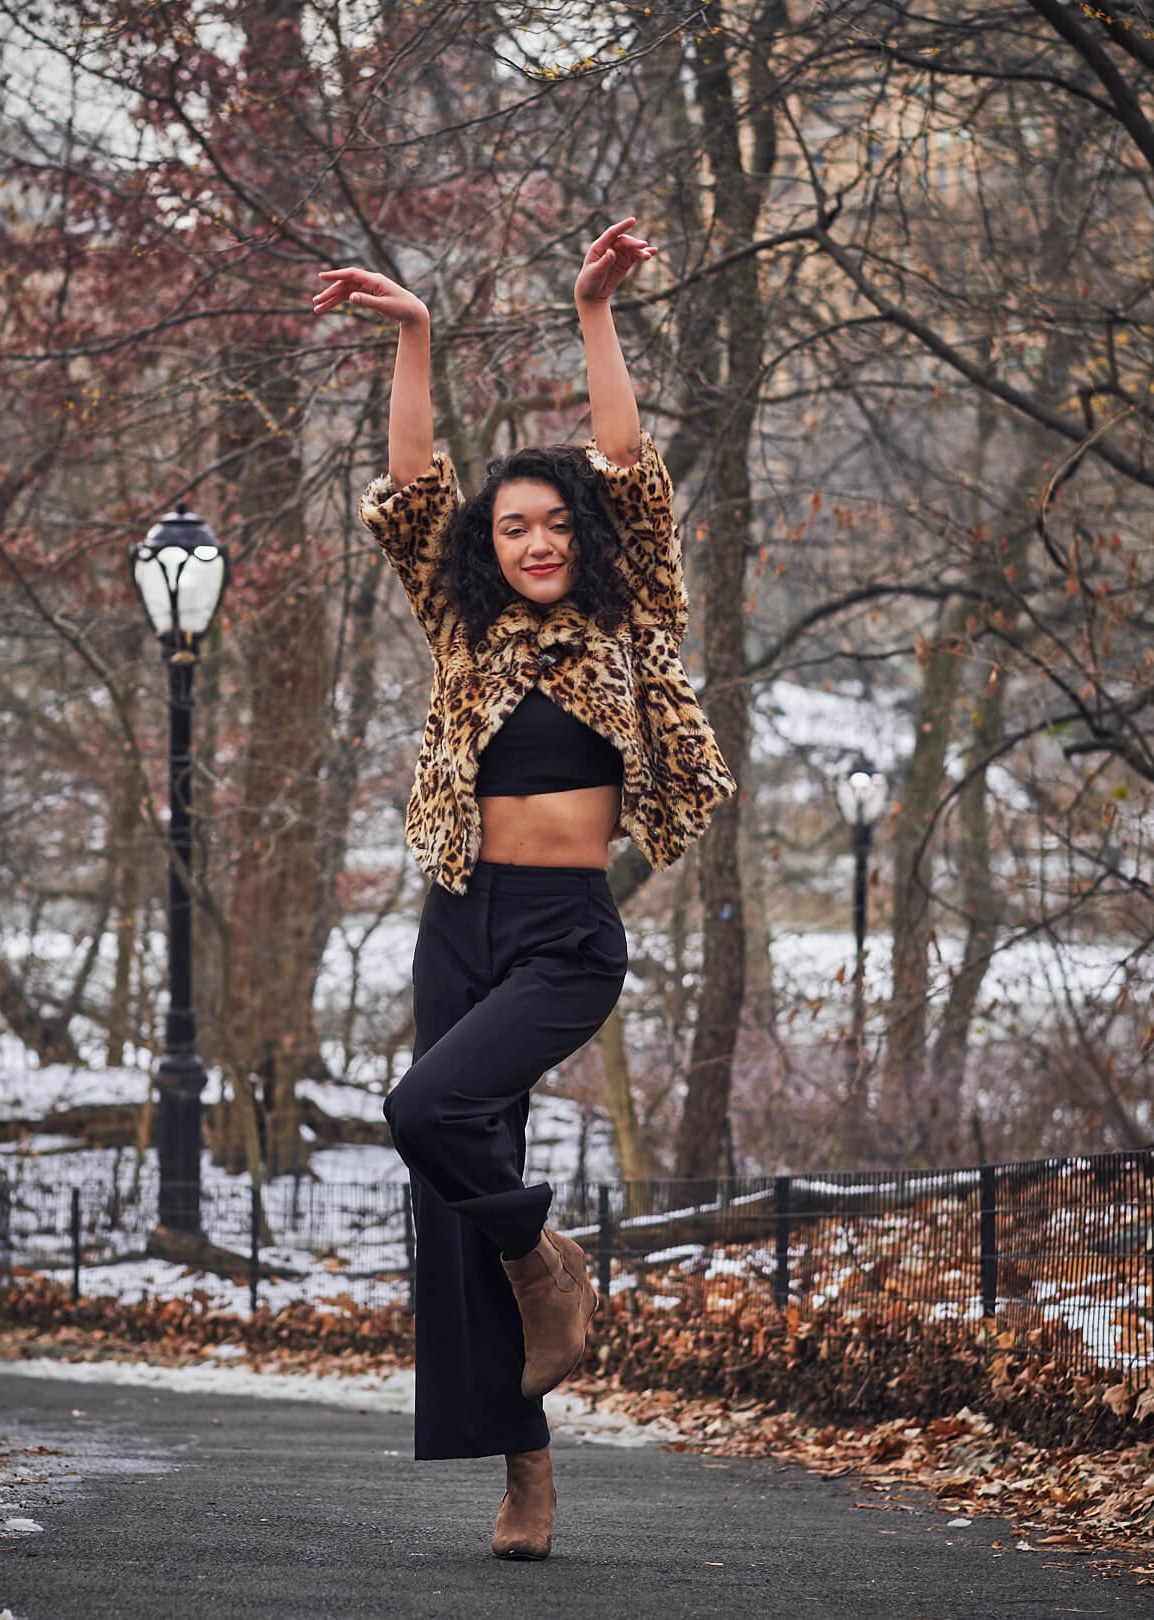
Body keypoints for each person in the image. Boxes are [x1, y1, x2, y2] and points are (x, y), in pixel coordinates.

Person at [313, 218, 734, 1561]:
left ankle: (549, 1261)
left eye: (555, 524)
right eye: (515, 529)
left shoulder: (635, 619)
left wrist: (592, 310)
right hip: (460, 919)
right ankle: (527, 1467)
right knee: (456, 1182)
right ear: (488, 550)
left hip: (564, 936)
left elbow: (628, 465)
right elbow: (409, 491)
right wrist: (416, 335)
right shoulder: (466, 628)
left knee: (424, 1105)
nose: (538, 540)